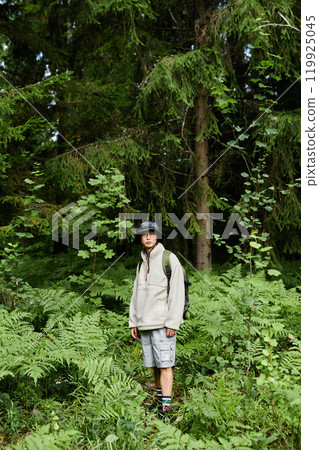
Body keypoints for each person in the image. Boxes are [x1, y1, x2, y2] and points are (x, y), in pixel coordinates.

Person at [129, 221, 185, 420]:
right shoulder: (142, 262)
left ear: (157, 236)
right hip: (145, 323)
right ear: (141, 238)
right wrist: (133, 321)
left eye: (152, 233)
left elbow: (178, 293)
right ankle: (161, 403)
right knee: (153, 365)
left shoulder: (168, 259)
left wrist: (172, 322)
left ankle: (167, 409)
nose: (148, 237)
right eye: (144, 234)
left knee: (165, 365)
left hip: (163, 323)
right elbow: (136, 294)